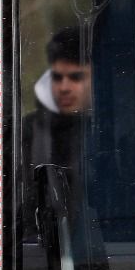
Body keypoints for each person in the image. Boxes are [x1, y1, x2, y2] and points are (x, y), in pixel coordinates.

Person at [18, 27, 93, 244]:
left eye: (76, 77)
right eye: (58, 77)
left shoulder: (116, 131)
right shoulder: (30, 132)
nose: (65, 87)